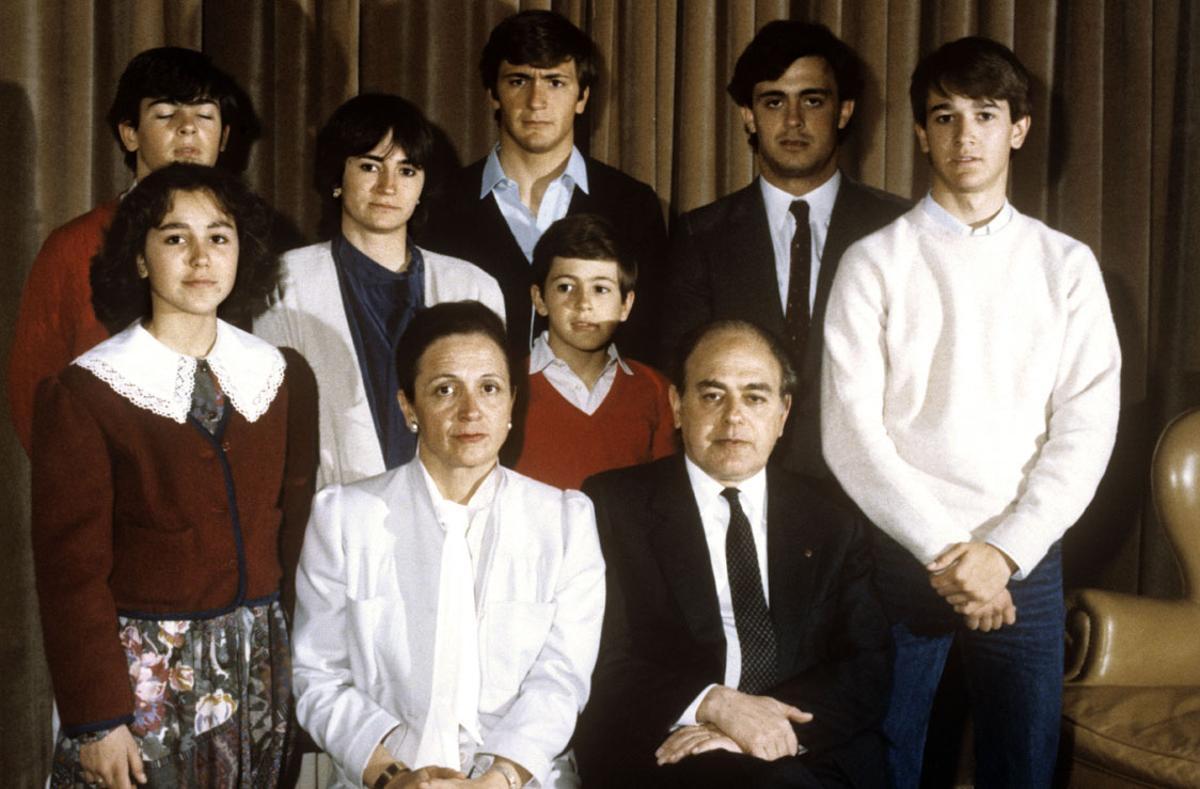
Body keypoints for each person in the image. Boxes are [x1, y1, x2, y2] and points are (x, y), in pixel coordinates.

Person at [821, 37, 1121, 787]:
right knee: (886, 764)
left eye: (985, 115)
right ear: (920, 132)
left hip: (1022, 557)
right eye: (944, 117)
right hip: (903, 558)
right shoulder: (874, 261)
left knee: (1020, 769)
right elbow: (850, 434)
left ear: (1018, 128)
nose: (965, 137)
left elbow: (1087, 427)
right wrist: (951, 553)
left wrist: (1004, 552)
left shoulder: (1067, 266)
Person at [31, 163, 317, 788]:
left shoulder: (282, 375)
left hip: (258, 668)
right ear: (139, 258)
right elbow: (69, 575)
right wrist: (97, 721)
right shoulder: (87, 391)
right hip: (142, 682)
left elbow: (294, 538)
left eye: (219, 237)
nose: (200, 257)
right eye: (173, 238)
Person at [291, 301, 605, 789]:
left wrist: (497, 781)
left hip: (519, 779)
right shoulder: (344, 517)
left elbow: (561, 681)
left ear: (511, 404)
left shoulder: (564, 522)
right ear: (408, 407)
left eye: (489, 388)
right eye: (444, 389)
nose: (470, 410)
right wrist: (390, 775)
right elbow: (320, 677)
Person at [576, 320, 890, 788]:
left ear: (783, 414)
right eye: (712, 395)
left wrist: (757, 730)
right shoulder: (612, 506)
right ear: (678, 405)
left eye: (755, 397)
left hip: (807, 747)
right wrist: (716, 705)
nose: (733, 417)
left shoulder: (831, 519)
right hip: (670, 742)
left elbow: (867, 664)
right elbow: (601, 658)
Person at [660, 21, 908, 483]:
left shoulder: (899, 229)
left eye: (812, 100)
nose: (793, 120)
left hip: (874, 498)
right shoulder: (699, 235)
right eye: (773, 101)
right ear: (748, 115)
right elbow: (685, 381)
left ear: (845, 110)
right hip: (747, 493)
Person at [254, 93, 505, 489]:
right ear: (337, 177)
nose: (388, 186)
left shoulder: (472, 286)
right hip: (329, 508)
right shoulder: (284, 281)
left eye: (407, 171)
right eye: (370, 166)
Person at [9, 46, 245, 454]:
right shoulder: (73, 247)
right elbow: (35, 392)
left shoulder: (251, 243)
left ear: (223, 136)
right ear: (129, 132)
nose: (188, 128)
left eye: (204, 115)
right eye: (167, 114)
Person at [419, 9, 667, 363]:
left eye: (555, 82)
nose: (536, 101)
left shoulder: (631, 204)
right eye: (519, 81)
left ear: (582, 97)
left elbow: (648, 340)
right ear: (493, 93)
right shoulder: (441, 202)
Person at [508, 213, 676, 489]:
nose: (583, 303)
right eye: (566, 287)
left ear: (626, 304)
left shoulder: (657, 392)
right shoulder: (506, 386)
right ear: (539, 299)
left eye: (600, 289)